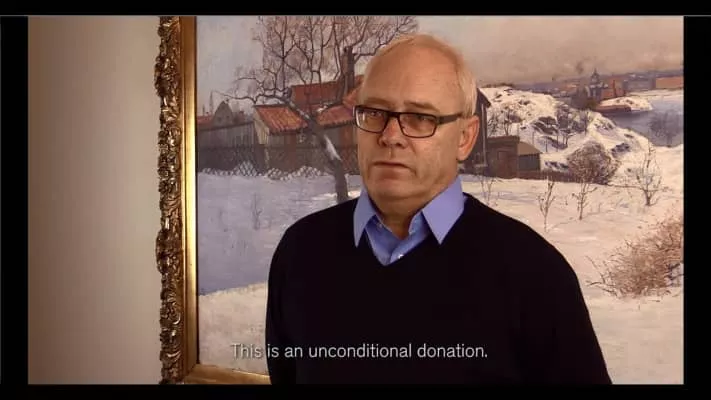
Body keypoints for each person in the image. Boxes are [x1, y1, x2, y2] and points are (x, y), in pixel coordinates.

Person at [265, 33, 611, 384]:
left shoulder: (536, 275)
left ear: (465, 137)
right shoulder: (300, 252)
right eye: (375, 113)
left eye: (419, 118)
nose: (390, 136)